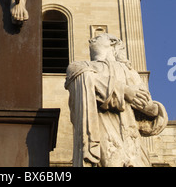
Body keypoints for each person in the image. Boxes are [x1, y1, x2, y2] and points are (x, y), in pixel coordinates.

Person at [65, 33, 168, 167]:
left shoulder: (130, 72)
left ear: (113, 42)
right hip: (103, 133)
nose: (91, 39)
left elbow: (147, 104)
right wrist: (124, 91)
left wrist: (154, 109)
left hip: (131, 141)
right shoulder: (79, 67)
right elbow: (84, 79)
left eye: (98, 37)